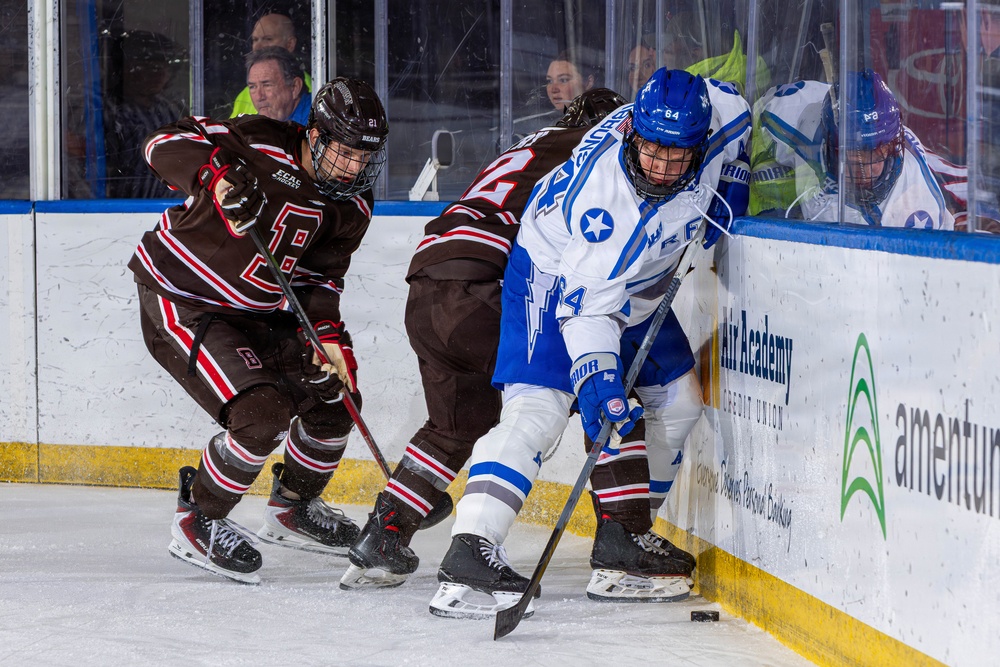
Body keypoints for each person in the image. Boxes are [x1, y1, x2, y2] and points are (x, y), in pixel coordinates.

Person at [340, 88, 700, 593]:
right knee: (606, 392)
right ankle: (623, 538)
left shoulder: (531, 145)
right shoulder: (597, 157)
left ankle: (383, 537)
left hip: (428, 284)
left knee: (457, 423)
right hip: (488, 284)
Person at [429, 69, 752, 618]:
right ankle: (469, 552)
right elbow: (587, 312)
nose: (662, 168)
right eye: (652, 151)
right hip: (557, 276)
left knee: (679, 401)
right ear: (632, 133)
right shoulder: (606, 213)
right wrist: (599, 378)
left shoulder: (718, 113)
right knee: (539, 411)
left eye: (679, 157)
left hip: (639, 285)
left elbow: (738, 115)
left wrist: (733, 181)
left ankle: (623, 543)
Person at [128, 78, 389, 584]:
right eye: (346, 152)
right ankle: (198, 515)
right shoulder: (259, 139)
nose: (356, 167)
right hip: (184, 299)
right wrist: (217, 176)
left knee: (336, 399)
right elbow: (162, 143)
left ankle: (292, 508)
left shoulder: (354, 204)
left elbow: (318, 278)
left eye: (366, 156)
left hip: (263, 313)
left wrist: (328, 339)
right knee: (261, 415)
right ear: (315, 135)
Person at [756, 69, 954, 228]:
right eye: (855, 153)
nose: (866, 171)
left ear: (893, 146)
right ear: (831, 144)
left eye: (878, 154)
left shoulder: (914, 202)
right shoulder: (797, 119)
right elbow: (755, 117)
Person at [105, 30, 187, 198]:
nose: (160, 73)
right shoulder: (105, 109)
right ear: (126, 68)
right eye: (149, 65)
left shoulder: (169, 109)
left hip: (165, 209)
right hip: (117, 212)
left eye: (164, 65)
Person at [231, 13, 312, 118]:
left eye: (267, 85)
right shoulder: (243, 96)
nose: (258, 46)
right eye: (255, 40)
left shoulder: (316, 91)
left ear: (295, 87)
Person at [245, 46, 311, 124]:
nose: (259, 97)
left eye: (267, 85)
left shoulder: (318, 118)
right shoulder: (254, 125)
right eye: (253, 87)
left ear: (294, 87)